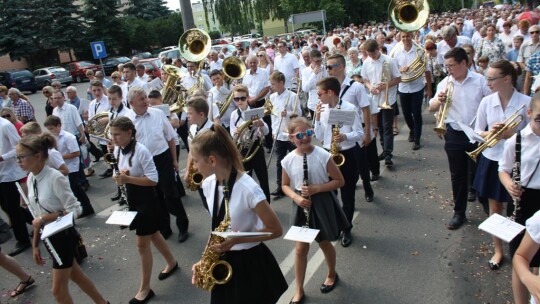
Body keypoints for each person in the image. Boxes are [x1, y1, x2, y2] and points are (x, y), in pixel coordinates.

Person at [189, 123, 287, 304]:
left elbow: (276, 230)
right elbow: (217, 227)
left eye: (195, 160)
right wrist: (204, 259)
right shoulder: (208, 184)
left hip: (250, 263)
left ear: (212, 160)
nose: (193, 166)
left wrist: (236, 240)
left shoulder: (249, 189)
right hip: (224, 259)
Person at [16, 134, 109, 304]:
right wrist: (35, 244)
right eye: (17, 157)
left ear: (37, 156)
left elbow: (76, 209)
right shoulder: (31, 178)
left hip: (64, 237)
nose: (18, 161)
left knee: (58, 292)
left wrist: (47, 217)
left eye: (21, 157)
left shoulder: (55, 177)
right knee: (77, 276)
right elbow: (37, 216)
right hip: (49, 238)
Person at [108, 117, 178, 304]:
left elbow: (153, 180)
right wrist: (121, 176)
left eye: (117, 134)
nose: (113, 138)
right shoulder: (118, 149)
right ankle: (172, 262)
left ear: (129, 133)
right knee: (153, 234)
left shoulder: (141, 150)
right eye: (112, 134)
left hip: (147, 200)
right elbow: (126, 172)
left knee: (142, 244)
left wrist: (128, 179)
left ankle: (145, 289)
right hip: (133, 197)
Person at [281, 117, 349, 304]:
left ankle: (332, 273)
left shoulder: (322, 155)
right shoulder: (288, 160)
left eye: (309, 133)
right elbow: (285, 186)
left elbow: (339, 181)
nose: (305, 138)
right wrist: (296, 197)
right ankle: (299, 289)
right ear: (291, 138)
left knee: (325, 243)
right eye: (300, 135)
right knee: (300, 249)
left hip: (321, 202)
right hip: (301, 203)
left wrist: (316, 189)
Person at [472, 60, 530, 270]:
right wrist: (491, 133)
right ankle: (498, 250)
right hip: (491, 158)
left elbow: (534, 136)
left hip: (518, 163)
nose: (487, 82)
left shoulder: (527, 102)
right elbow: (478, 131)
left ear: (506, 79)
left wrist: (511, 134)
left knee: (518, 210)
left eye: (491, 78)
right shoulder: (487, 102)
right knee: (494, 208)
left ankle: (520, 252)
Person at [429, 47, 491, 230]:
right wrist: (438, 101)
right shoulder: (446, 82)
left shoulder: (480, 81)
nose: (448, 70)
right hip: (455, 132)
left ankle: (487, 206)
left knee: (481, 171)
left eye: (451, 65)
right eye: (446, 66)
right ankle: (459, 212)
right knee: (458, 175)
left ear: (464, 63)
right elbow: (432, 105)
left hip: (478, 133)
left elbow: (491, 103)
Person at [125, 87, 189, 243]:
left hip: (163, 158)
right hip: (144, 164)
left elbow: (170, 138)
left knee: (171, 194)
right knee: (156, 197)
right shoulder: (127, 120)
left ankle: (183, 225)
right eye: (142, 99)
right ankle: (165, 228)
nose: (146, 101)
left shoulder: (158, 114)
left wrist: (174, 160)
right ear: (132, 103)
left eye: (146, 98)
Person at [314, 77, 364, 247]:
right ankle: (335, 224)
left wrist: (345, 136)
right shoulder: (323, 109)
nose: (318, 96)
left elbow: (359, 133)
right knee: (330, 194)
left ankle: (347, 228)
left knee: (347, 194)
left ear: (330, 92)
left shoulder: (349, 108)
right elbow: (320, 137)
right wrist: (317, 117)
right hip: (328, 155)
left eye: (320, 93)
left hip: (347, 154)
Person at [499, 94, 540, 304]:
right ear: (529, 114)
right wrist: (509, 185)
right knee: (520, 258)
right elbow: (504, 169)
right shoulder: (517, 140)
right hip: (524, 201)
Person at [44, 115, 95, 218]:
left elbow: (76, 153)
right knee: (71, 190)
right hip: (63, 166)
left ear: (58, 125)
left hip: (71, 167)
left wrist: (59, 156)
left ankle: (87, 207)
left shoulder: (69, 137)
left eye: (51, 128)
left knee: (76, 189)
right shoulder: (53, 137)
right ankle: (80, 208)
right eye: (48, 129)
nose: (50, 131)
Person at [361, 39, 401, 168]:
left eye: (373, 54)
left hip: (388, 97)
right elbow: (365, 79)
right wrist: (370, 86)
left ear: (378, 49)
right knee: (380, 127)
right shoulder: (366, 63)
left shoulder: (389, 60)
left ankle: (388, 154)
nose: (372, 57)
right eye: (369, 54)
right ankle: (385, 149)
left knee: (387, 126)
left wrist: (385, 86)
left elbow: (398, 79)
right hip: (375, 99)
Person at [229, 85, 271, 203]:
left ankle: (267, 203)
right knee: (246, 179)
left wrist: (260, 124)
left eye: (242, 98)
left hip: (256, 147)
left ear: (247, 97)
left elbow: (267, 131)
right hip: (243, 149)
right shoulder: (234, 115)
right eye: (237, 99)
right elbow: (232, 132)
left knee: (263, 177)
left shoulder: (255, 111)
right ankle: (250, 203)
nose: (240, 101)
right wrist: (236, 132)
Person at [393, 31, 432, 150]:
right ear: (400, 38)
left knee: (416, 113)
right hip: (403, 87)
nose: (406, 39)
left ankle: (417, 139)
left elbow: (427, 70)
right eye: (403, 37)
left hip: (417, 86)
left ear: (412, 37)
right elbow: (392, 69)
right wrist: (400, 69)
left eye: (408, 36)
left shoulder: (419, 51)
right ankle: (412, 130)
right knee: (406, 113)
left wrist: (429, 89)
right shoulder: (397, 52)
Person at [0, 116, 31, 257]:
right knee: (6, 206)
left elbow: (18, 148)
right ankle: (36, 221)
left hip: (10, 173)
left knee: (12, 208)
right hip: (1, 174)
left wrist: (2, 157)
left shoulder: (5, 125)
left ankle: (23, 240)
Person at [269, 71, 301, 198]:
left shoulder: (292, 96)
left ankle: (300, 185)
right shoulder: (272, 97)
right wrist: (272, 131)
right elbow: (273, 116)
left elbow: (298, 113)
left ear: (281, 83)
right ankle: (280, 187)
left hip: (291, 133)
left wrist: (287, 114)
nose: (271, 86)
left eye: (273, 84)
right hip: (278, 133)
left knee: (297, 160)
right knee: (279, 162)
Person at [242, 55, 272, 151]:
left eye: (254, 62)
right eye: (250, 63)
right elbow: (244, 88)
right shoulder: (245, 73)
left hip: (261, 102)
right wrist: (249, 98)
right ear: (247, 64)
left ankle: (269, 144)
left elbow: (267, 88)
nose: (252, 64)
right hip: (249, 102)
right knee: (251, 124)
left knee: (266, 123)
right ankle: (255, 144)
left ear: (257, 62)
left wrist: (255, 99)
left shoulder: (264, 72)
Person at [302, 49, 329, 118]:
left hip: (325, 103)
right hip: (313, 105)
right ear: (311, 60)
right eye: (317, 61)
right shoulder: (305, 71)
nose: (319, 63)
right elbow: (305, 88)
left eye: (320, 60)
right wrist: (314, 74)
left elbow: (328, 84)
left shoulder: (324, 68)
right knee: (316, 126)